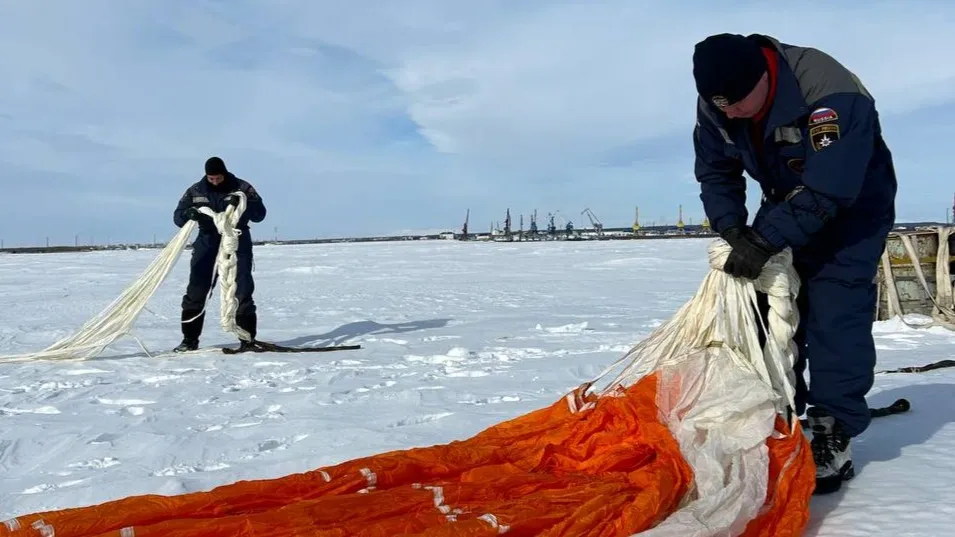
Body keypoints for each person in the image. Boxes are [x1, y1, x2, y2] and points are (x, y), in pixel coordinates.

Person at [690, 33, 897, 494]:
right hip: (787, 203)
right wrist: (734, 231)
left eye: (739, 102)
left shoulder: (828, 92)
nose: (731, 113)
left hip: (852, 207)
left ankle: (832, 428)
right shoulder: (717, 105)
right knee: (764, 310)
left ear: (764, 76)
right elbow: (716, 171)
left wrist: (765, 238)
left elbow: (830, 187)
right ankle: (774, 410)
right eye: (720, 105)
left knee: (833, 313)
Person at [172, 156, 267, 353]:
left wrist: (244, 203)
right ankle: (189, 339)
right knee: (197, 290)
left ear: (224, 173)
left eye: (218, 178)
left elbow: (260, 214)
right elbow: (178, 217)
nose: (215, 181)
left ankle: (247, 338)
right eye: (211, 178)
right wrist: (189, 214)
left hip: (236, 242)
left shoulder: (242, 187)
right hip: (207, 243)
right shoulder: (195, 191)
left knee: (241, 289)